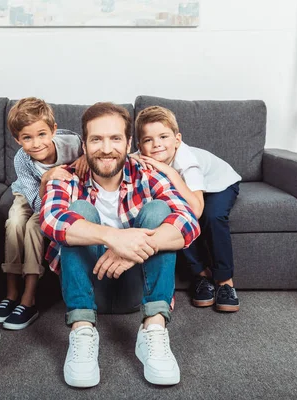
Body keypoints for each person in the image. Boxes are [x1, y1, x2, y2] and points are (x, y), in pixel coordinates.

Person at [40, 102, 200, 387]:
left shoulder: (150, 174)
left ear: (128, 143)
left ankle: (153, 328)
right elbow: (51, 220)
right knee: (77, 211)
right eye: (96, 139)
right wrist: (113, 237)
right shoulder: (66, 177)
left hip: (137, 287)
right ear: (85, 145)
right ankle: (82, 330)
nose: (106, 148)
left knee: (160, 213)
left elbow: (189, 222)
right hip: (90, 287)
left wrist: (132, 250)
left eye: (115, 138)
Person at [132, 106, 242, 312]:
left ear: (177, 139)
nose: (157, 145)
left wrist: (169, 172)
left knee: (213, 216)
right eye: (148, 140)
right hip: (187, 192)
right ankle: (202, 277)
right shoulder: (138, 157)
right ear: (140, 146)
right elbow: (118, 159)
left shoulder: (187, 162)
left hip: (218, 184)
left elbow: (196, 210)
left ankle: (225, 282)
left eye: (164, 136)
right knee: (175, 218)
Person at [0, 97, 87, 330]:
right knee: (15, 222)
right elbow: (36, 203)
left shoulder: (72, 143)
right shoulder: (22, 160)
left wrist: (85, 156)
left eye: (42, 135)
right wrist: (46, 177)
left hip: (61, 197)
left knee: (35, 227)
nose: (36, 144)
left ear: (53, 131)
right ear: (17, 139)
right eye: (27, 138)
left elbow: (90, 145)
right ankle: (12, 291)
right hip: (30, 194)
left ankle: (29, 297)